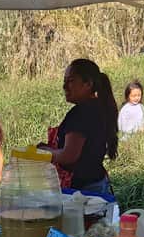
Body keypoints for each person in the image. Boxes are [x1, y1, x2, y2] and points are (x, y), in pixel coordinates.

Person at [43, 59, 118, 195]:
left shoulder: (81, 113)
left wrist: (45, 152)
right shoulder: (98, 107)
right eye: (65, 81)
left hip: (84, 191)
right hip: (97, 182)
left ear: (88, 84)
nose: (64, 86)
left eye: (70, 81)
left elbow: (69, 155)